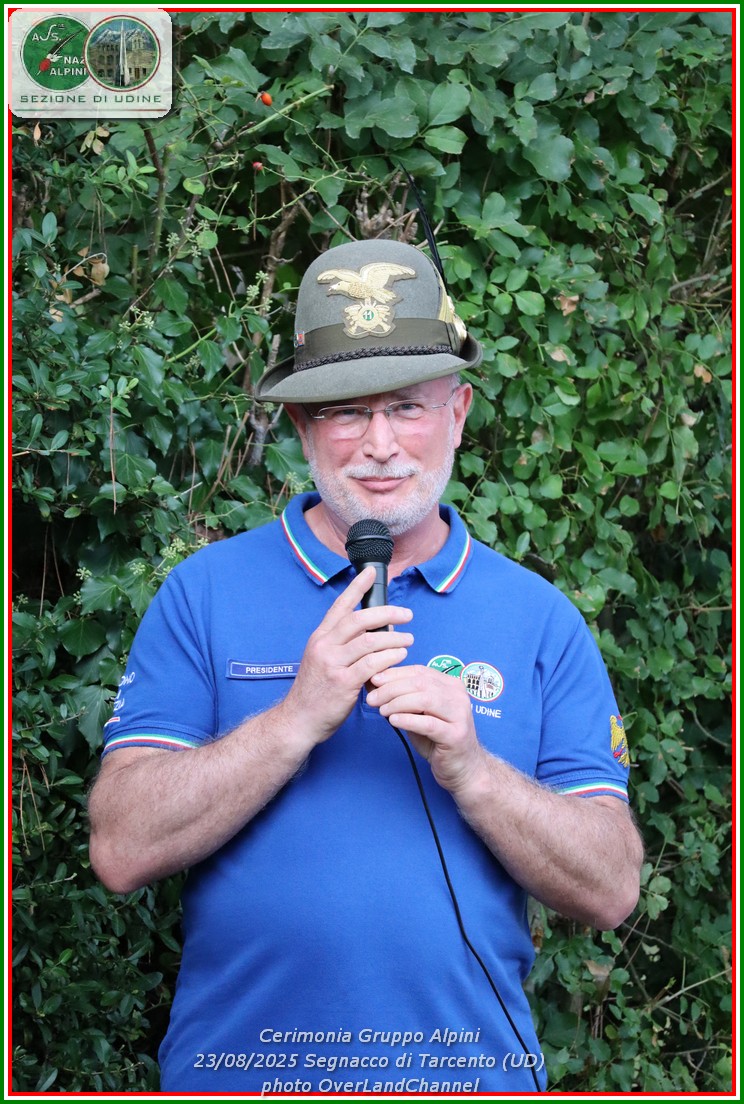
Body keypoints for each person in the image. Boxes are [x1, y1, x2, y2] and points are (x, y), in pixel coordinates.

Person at [89, 237, 643, 1093]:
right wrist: (294, 720)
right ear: (303, 426)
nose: (380, 444)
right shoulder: (204, 592)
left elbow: (610, 888)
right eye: (346, 411)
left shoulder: (541, 620)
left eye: (407, 406)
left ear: (458, 412)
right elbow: (120, 848)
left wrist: (474, 772)